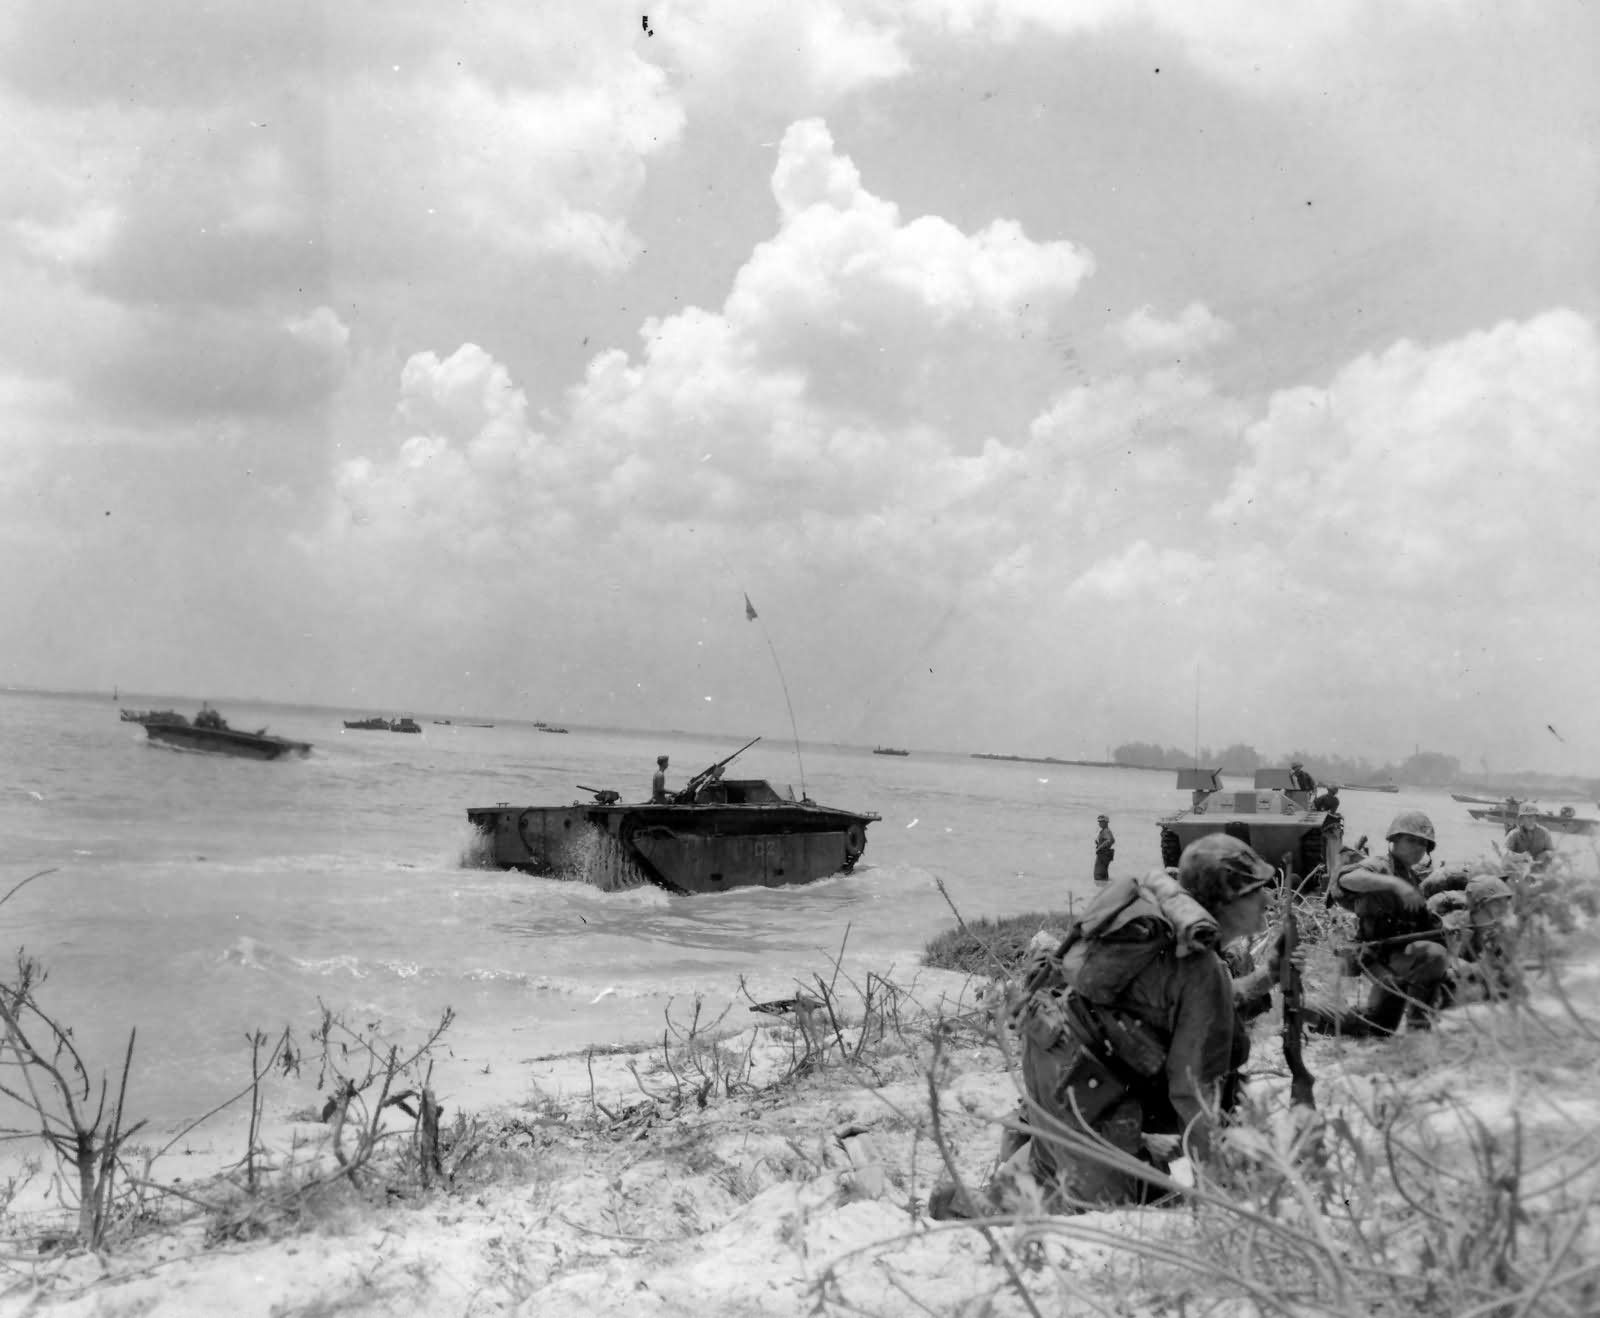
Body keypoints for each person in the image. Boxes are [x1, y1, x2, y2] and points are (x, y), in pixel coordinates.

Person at [970, 835, 1274, 1214]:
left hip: (1054, 1054)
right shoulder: (1198, 966)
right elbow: (1193, 1089)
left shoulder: (1170, 935)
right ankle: (969, 1207)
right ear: (1225, 901)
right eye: (1255, 890)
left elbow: (1188, 1008)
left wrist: (1266, 978)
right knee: (1102, 1214)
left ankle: (1029, 1159)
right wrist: (1211, 1189)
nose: (1268, 899)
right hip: (1085, 1086)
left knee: (1056, 1178)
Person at [1316, 810, 1450, 1037]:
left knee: (1378, 1028)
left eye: (1423, 844)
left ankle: (1314, 1016)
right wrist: (1393, 885)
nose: (1418, 847)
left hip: (1396, 956)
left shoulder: (1411, 877)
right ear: (1394, 840)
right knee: (1434, 955)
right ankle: (1418, 1032)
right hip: (1376, 955)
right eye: (1411, 840)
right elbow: (1345, 880)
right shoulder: (1380, 866)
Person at [1503, 802, 1555, 869]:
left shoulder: (1544, 833)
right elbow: (1504, 852)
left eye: (1533, 816)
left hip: (1537, 869)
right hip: (1519, 868)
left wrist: (1546, 854)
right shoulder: (1514, 834)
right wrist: (1520, 856)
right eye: (1528, 817)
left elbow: (1552, 852)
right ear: (1522, 818)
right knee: (1502, 873)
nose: (1531, 819)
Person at [1093, 814, 1115, 884]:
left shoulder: (1106, 831)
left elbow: (1110, 840)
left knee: (1098, 875)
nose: (1099, 823)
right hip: (1103, 855)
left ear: (1106, 822)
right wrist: (1098, 843)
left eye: (1101, 822)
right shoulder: (1104, 831)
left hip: (1103, 855)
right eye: (1099, 822)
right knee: (1102, 875)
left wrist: (1100, 847)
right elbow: (1111, 840)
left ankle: (1102, 889)